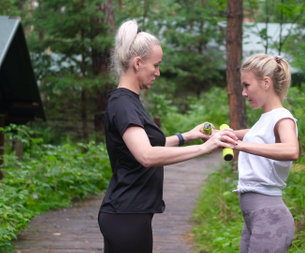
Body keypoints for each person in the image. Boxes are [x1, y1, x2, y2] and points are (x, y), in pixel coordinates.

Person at [97, 19, 237, 253]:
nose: (158, 72)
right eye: (156, 65)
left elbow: (147, 144)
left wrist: (188, 136)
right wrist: (206, 148)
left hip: (129, 213)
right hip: (126, 215)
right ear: (138, 63)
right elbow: (146, 155)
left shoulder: (129, 101)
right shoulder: (123, 104)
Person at [229, 54, 299, 252]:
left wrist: (240, 146)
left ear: (266, 82)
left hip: (270, 218)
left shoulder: (283, 117)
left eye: (247, 85)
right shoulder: (267, 118)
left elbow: (291, 149)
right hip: (255, 217)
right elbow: (253, 135)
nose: (243, 92)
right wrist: (222, 135)